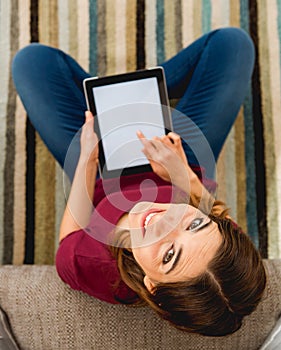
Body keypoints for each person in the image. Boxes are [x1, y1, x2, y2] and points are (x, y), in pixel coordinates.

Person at [12, 27, 266, 337]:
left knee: (32, 61)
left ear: (153, 286)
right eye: (195, 226)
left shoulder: (93, 265)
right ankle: (138, 92)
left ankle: (117, 96)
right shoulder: (227, 259)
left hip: (101, 173)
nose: (165, 221)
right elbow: (216, 211)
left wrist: (88, 157)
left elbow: (71, 236)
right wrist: (182, 175)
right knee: (233, 43)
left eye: (169, 255)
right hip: (177, 153)